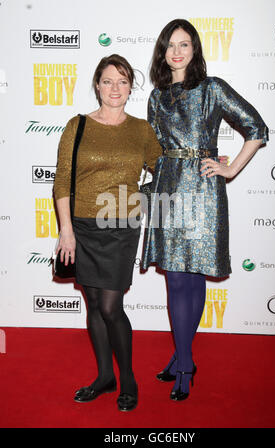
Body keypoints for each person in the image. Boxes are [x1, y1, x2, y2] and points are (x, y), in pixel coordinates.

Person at [142, 19, 269, 401]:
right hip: (168, 189)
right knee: (177, 280)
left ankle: (183, 364)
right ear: (162, 52)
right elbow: (152, 152)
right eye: (170, 45)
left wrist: (229, 168)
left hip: (201, 190)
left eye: (185, 44)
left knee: (192, 278)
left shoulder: (211, 89)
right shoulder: (155, 97)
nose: (177, 52)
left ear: (195, 50)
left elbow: (256, 128)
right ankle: (184, 356)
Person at [53, 54, 162, 411]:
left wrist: (205, 160)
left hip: (121, 225)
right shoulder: (78, 125)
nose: (115, 88)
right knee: (95, 303)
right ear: (97, 85)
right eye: (108, 80)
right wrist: (66, 231)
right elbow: (62, 182)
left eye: (123, 81)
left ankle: (127, 378)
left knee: (112, 306)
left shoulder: (142, 129)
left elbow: (163, 170)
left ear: (131, 87)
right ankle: (104, 376)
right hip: (83, 225)